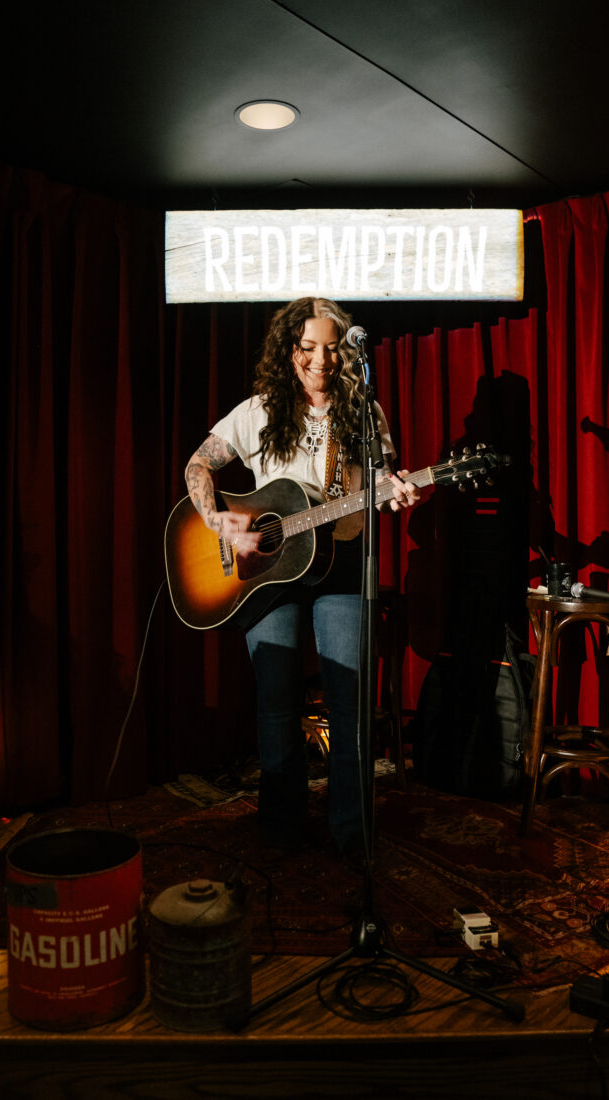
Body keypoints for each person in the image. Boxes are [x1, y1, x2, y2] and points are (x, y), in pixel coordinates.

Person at [185, 297, 419, 857]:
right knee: (276, 702)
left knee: (350, 703)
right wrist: (218, 521)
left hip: (342, 563)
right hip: (267, 572)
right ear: (288, 349)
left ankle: (351, 833)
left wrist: (395, 490)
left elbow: (381, 479)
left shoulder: (363, 411)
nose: (321, 361)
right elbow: (199, 464)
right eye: (308, 347)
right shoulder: (259, 411)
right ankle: (281, 826)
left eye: (332, 349)